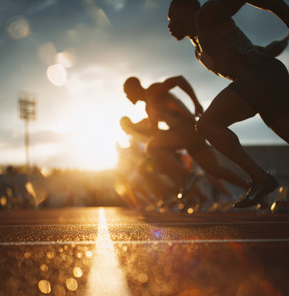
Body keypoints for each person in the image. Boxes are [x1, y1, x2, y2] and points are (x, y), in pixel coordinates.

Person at [167, 0, 289, 207]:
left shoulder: (205, 16)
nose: (169, 25)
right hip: (264, 79)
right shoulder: (198, 49)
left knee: (207, 124)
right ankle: (261, 179)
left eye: (171, 17)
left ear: (187, 11)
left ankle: (261, 179)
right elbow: (261, 53)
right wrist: (283, 42)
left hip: (261, 76)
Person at [123, 75, 248, 203]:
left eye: (127, 93)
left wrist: (196, 103)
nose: (127, 97)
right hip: (191, 134)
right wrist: (133, 128)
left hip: (186, 127)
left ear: (134, 87)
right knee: (215, 170)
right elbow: (153, 131)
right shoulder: (148, 108)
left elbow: (179, 80)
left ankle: (187, 177)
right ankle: (250, 188)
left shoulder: (154, 90)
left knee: (152, 147)